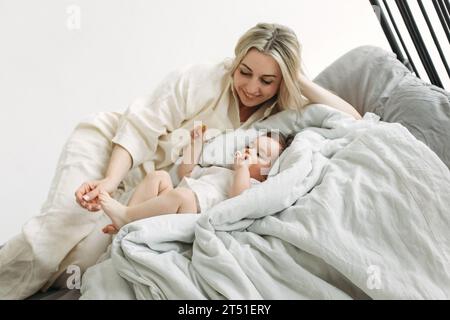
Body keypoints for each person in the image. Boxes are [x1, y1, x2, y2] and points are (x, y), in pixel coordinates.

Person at [75, 22, 362, 215]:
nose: (251, 88)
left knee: (86, 259)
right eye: (245, 72)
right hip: (116, 151)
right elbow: (140, 127)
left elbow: (353, 121)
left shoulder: (282, 117)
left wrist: (298, 78)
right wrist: (111, 179)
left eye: (267, 80)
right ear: (235, 62)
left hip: (167, 193)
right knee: (51, 245)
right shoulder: (202, 79)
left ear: (282, 82)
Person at [98, 125, 287, 234]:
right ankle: (129, 218)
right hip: (172, 204)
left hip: (191, 216)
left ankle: (127, 216)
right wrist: (197, 143)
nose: (249, 151)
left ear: (266, 174)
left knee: (183, 196)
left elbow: (238, 200)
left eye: (259, 154)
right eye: (250, 146)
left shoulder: (252, 186)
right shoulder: (220, 170)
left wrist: (242, 170)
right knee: (159, 176)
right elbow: (185, 172)